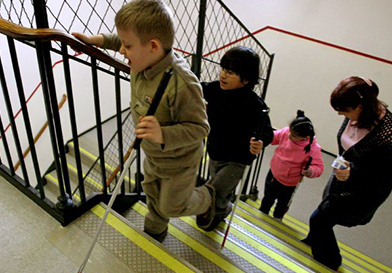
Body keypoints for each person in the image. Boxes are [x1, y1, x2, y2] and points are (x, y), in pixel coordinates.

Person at [72, 0, 214, 242]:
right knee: (151, 192)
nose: (122, 51)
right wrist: (100, 41)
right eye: (122, 44)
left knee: (172, 206)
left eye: (127, 45)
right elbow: (121, 41)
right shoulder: (143, 58)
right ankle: (155, 230)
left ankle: (210, 197)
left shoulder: (182, 84)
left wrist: (163, 135)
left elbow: (200, 128)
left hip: (179, 162)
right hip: (152, 152)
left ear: (153, 46)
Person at [302, 76, 392, 270]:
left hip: (363, 190)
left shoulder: (390, 134)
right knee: (324, 211)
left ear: (361, 106)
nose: (341, 114)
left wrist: (354, 172)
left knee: (319, 219)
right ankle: (314, 239)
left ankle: (330, 263)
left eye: (344, 110)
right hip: (343, 177)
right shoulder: (356, 116)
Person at [201, 46, 273, 231]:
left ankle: (216, 214)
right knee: (219, 190)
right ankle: (223, 208)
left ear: (246, 79)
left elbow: (268, 133)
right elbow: (193, 88)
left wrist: (261, 142)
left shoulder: (255, 105)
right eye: (223, 69)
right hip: (215, 152)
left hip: (238, 160)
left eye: (230, 72)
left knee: (214, 190)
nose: (223, 75)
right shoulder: (214, 89)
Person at [259, 110, 324, 220]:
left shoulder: (313, 148)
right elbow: (274, 137)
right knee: (267, 198)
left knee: (282, 204)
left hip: (290, 183)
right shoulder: (286, 132)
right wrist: (265, 137)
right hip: (273, 174)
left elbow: (319, 167)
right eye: (290, 132)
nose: (289, 136)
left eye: (294, 136)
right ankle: (261, 215)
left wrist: (309, 171)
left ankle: (277, 219)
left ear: (305, 137)